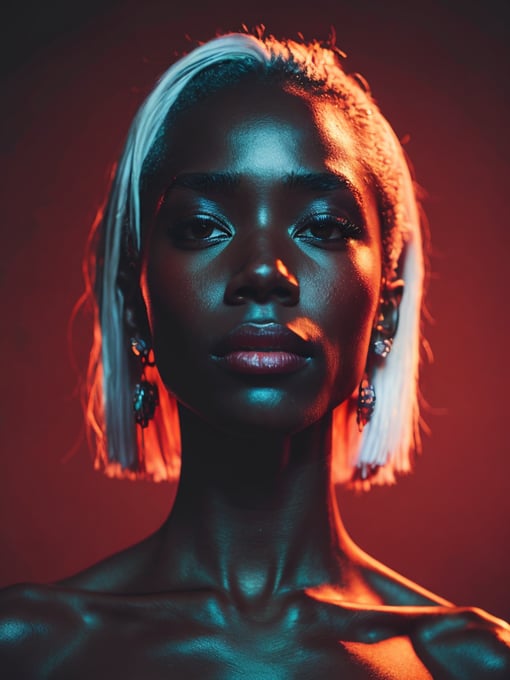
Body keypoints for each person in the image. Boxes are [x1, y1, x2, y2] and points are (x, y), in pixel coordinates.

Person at [1, 30, 509, 679]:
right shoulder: (26, 650)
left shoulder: (475, 664)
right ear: (135, 302)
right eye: (203, 227)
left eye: (323, 227)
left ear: (385, 303)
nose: (265, 271)